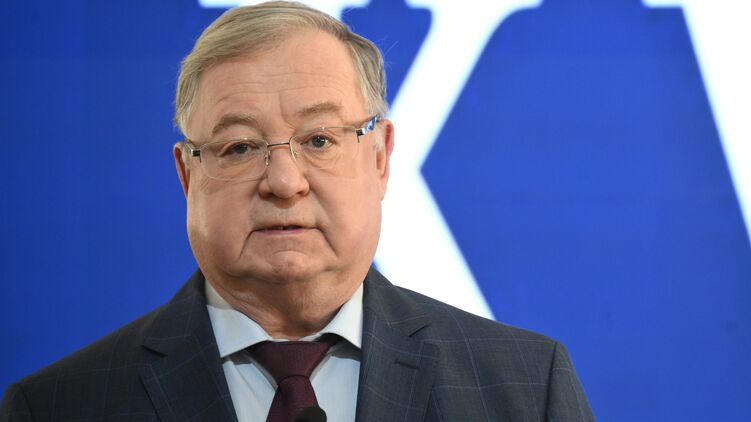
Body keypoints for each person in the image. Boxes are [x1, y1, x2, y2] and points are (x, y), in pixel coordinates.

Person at [1, 2, 594, 421]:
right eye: (239, 147)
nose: (284, 183)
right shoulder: (56, 406)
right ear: (188, 175)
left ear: (380, 158)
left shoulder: (524, 386)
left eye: (319, 140)